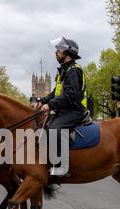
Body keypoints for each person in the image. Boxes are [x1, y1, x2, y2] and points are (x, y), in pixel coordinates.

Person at [35, 37, 88, 177]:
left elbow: (70, 95)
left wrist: (50, 105)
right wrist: (42, 101)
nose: (56, 53)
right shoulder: (64, 71)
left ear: (67, 53)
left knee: (54, 129)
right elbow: (56, 93)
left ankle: (61, 167)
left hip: (75, 110)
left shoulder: (74, 71)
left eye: (58, 50)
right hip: (64, 109)